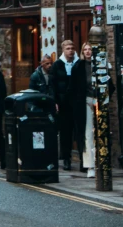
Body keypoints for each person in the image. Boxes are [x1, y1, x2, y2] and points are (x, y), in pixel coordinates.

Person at [72, 42, 114, 178]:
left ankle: (102, 163)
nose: (88, 52)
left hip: (99, 102)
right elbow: (74, 88)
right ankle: (90, 166)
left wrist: (103, 99)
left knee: (101, 133)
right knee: (88, 134)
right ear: (82, 52)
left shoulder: (101, 65)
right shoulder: (78, 66)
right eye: (85, 49)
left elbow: (110, 85)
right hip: (86, 102)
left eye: (90, 49)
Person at [50, 39, 78, 170]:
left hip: (77, 102)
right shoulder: (57, 65)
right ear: (63, 50)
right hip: (63, 104)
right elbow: (52, 85)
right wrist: (55, 101)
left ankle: (84, 161)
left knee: (79, 132)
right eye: (68, 48)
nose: (70, 50)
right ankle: (66, 159)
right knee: (65, 133)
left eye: (72, 48)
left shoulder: (79, 63)